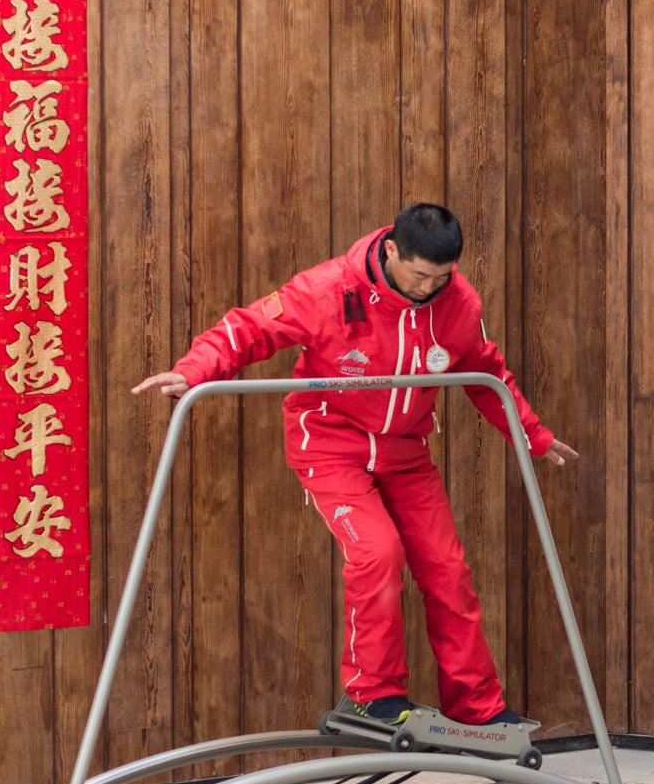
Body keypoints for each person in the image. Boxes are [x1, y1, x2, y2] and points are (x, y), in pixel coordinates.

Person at [134, 202, 575, 729]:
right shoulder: (327, 290)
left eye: (441, 277)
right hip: (330, 443)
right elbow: (247, 328)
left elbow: (486, 372)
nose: (428, 289)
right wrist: (192, 371)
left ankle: (478, 708)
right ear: (391, 250)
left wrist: (535, 437)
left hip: (405, 453)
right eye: (418, 276)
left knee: (449, 573)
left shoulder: (459, 304)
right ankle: (374, 694)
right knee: (377, 554)